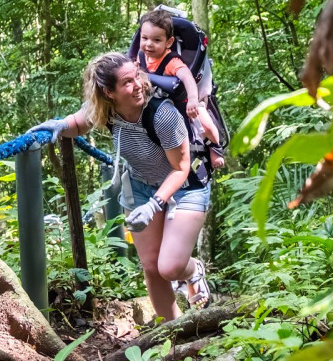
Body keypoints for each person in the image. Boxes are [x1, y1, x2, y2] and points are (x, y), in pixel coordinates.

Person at [28, 53, 210, 319]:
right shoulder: (107, 111)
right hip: (140, 186)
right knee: (150, 265)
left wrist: (154, 205)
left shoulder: (163, 115)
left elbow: (181, 168)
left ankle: (193, 272)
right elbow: (79, 123)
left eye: (137, 75)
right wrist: (55, 127)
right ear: (108, 92)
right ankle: (173, 331)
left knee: (169, 267)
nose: (138, 84)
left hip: (184, 189)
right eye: (127, 82)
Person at [136, 9, 225, 170]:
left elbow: (187, 78)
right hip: (156, 103)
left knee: (205, 123)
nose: (149, 44)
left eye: (156, 40)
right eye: (144, 38)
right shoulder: (141, 56)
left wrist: (192, 100)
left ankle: (215, 146)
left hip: (183, 102)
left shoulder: (172, 61)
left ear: (168, 43)